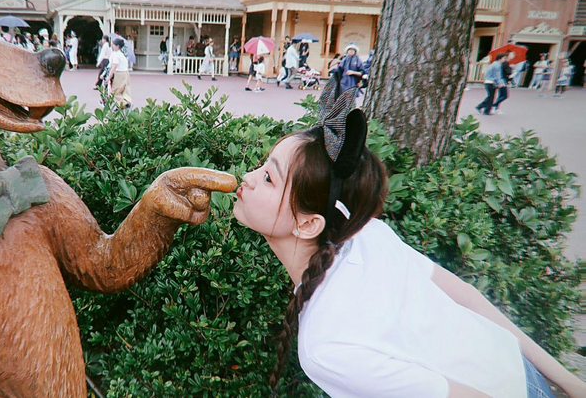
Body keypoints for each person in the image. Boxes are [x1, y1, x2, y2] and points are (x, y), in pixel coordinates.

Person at [232, 77, 586, 398]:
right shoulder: (367, 236)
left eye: (268, 177)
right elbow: (468, 298)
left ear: (309, 224)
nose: (247, 176)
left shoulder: (326, 347)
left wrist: (567, 383)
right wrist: (569, 381)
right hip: (518, 371)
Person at [108, 38, 132, 110]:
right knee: (124, 90)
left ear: (117, 46)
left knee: (115, 92)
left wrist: (109, 77)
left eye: (113, 45)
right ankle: (123, 104)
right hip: (125, 73)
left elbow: (114, 66)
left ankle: (124, 104)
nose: (112, 46)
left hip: (119, 74)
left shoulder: (116, 55)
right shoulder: (121, 54)